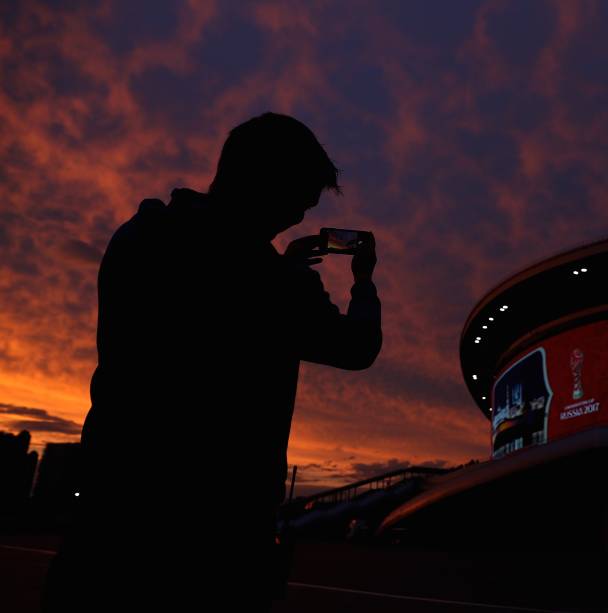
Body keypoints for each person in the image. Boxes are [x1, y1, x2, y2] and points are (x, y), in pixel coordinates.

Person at [42, 113, 382, 611]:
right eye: (298, 200)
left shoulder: (138, 236)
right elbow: (357, 347)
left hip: (108, 522)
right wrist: (363, 282)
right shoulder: (274, 283)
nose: (297, 218)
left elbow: (215, 309)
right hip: (217, 545)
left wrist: (279, 269)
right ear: (268, 182)